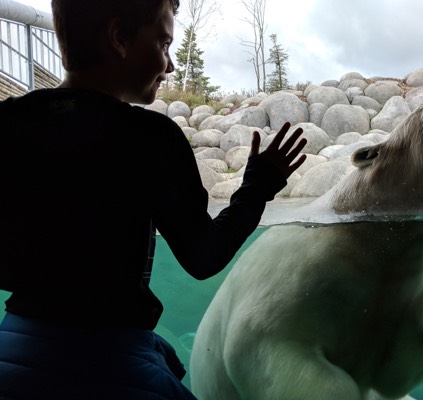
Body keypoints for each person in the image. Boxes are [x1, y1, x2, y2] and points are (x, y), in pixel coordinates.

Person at [0, 0, 307, 399]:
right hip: (112, 364)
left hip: (14, 351)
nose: (170, 65)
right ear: (119, 38)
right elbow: (203, 257)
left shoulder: (8, 126)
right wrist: (258, 187)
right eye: (163, 44)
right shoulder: (148, 137)